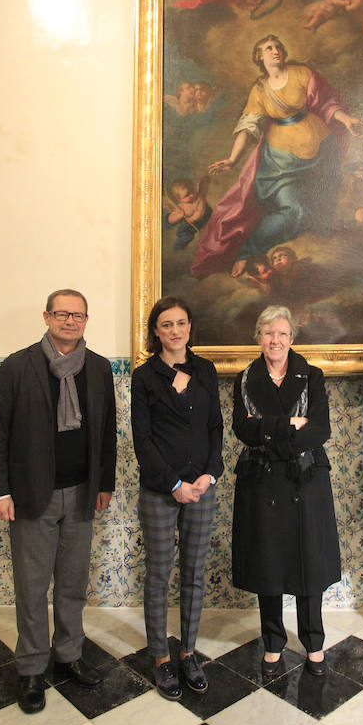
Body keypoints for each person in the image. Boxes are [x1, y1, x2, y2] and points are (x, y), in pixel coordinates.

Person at [0, 290, 117, 714]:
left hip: (81, 493)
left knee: (73, 584)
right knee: (32, 585)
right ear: (47, 316)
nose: (70, 321)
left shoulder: (97, 368)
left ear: (85, 320)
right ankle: (30, 668)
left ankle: (68, 655)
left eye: (77, 315)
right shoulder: (17, 366)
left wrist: (104, 482)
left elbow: (107, 431)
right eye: (62, 314)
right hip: (30, 496)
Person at [192, 34, 363, 279]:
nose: (275, 51)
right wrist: (232, 159)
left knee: (324, 205)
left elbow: (325, 103)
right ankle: (248, 250)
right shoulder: (260, 90)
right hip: (282, 162)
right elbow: (248, 125)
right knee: (292, 210)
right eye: (268, 48)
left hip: (322, 151)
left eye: (278, 47)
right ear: (259, 57)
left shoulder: (302, 73)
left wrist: (346, 119)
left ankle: (321, 245)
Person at [232, 305, 341, 677]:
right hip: (261, 482)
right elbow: (242, 430)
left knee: (308, 564)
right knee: (268, 565)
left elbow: (320, 428)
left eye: (282, 333)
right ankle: (274, 643)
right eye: (267, 333)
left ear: (291, 338)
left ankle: (314, 643)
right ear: (258, 337)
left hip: (305, 479)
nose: (274, 340)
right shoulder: (245, 378)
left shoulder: (312, 375)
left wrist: (270, 432)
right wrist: (289, 424)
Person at [131, 296, 224, 701]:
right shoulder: (144, 376)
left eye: (181, 323)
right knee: (159, 573)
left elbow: (216, 428)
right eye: (166, 325)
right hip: (160, 489)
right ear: (156, 331)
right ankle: (160, 658)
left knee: (194, 572)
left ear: (190, 327)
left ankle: (187, 652)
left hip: (201, 488)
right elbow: (143, 439)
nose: (175, 330)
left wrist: (209, 475)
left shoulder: (205, 369)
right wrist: (174, 484)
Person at [164, 176, 212, 251]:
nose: (192, 195)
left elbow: (200, 211)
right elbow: (172, 218)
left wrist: (193, 218)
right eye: (187, 195)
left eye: (192, 191)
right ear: (179, 199)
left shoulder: (199, 199)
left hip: (205, 217)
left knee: (207, 230)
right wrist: (179, 216)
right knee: (182, 230)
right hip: (192, 222)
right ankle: (179, 246)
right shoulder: (180, 206)